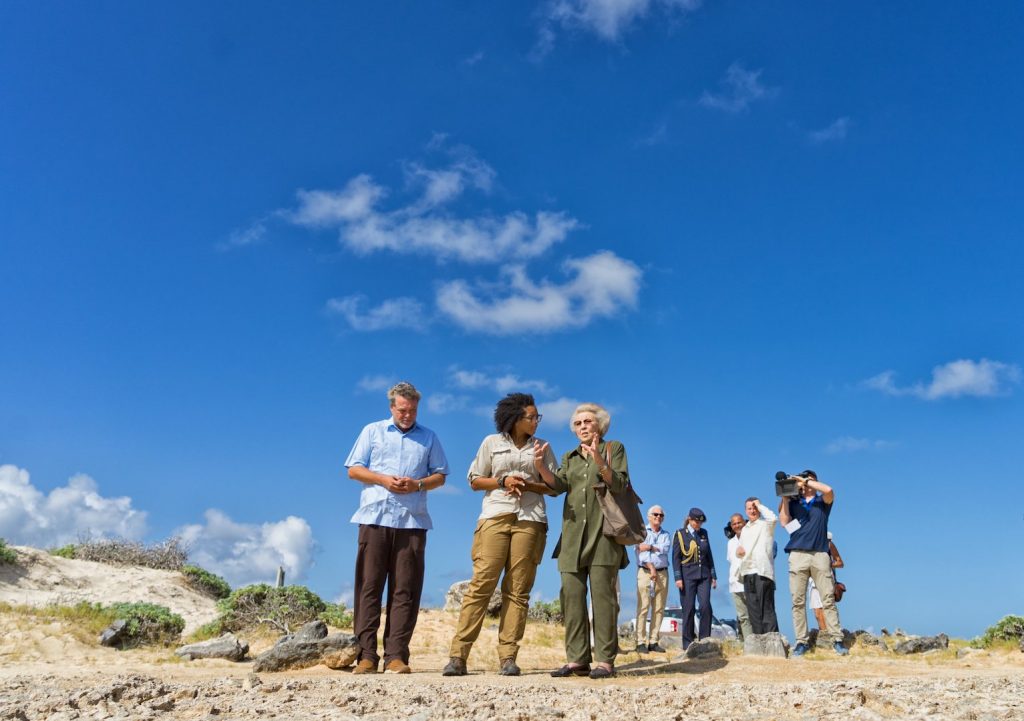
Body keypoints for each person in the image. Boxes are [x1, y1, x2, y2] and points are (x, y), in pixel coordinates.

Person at [442, 394, 557, 677]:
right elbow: (474, 480)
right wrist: (503, 480)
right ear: (516, 419)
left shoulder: (543, 447)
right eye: (532, 417)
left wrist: (532, 480)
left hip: (531, 520)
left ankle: (508, 658)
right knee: (482, 584)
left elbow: (555, 487)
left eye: (537, 417)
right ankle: (458, 656)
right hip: (494, 517)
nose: (536, 421)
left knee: (518, 591)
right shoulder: (490, 443)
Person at [344, 381, 449, 674]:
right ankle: (365, 655)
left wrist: (417, 484)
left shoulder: (429, 437)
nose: (408, 415)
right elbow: (353, 469)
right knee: (369, 588)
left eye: (413, 410)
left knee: (406, 590)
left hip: (412, 521)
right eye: (403, 410)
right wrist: (383, 479)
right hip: (374, 518)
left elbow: (440, 475)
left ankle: (396, 656)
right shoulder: (372, 431)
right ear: (392, 407)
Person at [538, 402, 630, 680]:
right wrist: (540, 467)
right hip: (572, 538)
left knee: (603, 600)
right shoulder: (570, 456)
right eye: (578, 424)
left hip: (604, 536)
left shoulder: (614, 449)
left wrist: (600, 461)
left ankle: (605, 661)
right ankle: (577, 659)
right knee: (572, 599)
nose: (582, 427)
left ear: (599, 425)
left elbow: (620, 484)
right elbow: (558, 487)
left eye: (587, 422)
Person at [778, 470, 848, 657]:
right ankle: (801, 642)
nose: (805, 484)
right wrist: (786, 497)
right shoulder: (794, 503)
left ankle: (837, 639)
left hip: (819, 554)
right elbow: (784, 521)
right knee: (797, 601)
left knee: (828, 599)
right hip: (797, 554)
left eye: (809, 481)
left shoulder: (822, 502)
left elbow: (829, 490)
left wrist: (807, 481)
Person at [671, 507, 717, 650]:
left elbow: (709, 555)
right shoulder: (680, 534)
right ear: (690, 520)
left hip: (704, 575)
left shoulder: (704, 534)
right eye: (696, 522)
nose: (699, 525)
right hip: (687, 577)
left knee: (705, 606)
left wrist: (713, 575)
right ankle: (688, 643)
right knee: (689, 608)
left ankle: (704, 640)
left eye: (700, 523)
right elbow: (676, 558)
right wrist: (678, 577)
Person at [737, 496, 779, 634]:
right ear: (745, 511)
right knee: (753, 611)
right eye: (749, 508)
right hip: (747, 572)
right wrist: (739, 552)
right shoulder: (745, 529)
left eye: (754, 508)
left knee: (766, 609)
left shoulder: (765, 524)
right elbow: (742, 550)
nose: (752, 511)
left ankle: (773, 642)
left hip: (763, 571)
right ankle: (759, 644)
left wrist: (760, 505)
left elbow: (773, 518)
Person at [635, 505, 671, 653]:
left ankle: (654, 640)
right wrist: (651, 567)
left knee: (659, 609)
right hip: (645, 572)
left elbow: (666, 548)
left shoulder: (666, 534)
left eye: (661, 515)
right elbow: (640, 553)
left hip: (663, 573)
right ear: (649, 516)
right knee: (643, 607)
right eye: (655, 514)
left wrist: (649, 546)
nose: (658, 517)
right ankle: (640, 641)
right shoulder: (641, 532)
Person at [725, 514, 753, 641]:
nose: (737, 525)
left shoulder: (750, 538)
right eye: (734, 524)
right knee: (742, 616)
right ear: (731, 526)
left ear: (744, 523)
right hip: (735, 583)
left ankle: (756, 640)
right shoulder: (730, 543)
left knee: (753, 613)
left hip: (749, 581)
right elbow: (731, 561)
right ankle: (748, 642)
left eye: (739, 522)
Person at [808, 533, 844, 632]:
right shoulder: (810, 546)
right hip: (812, 582)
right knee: (817, 612)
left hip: (826, 580)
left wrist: (827, 564)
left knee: (826, 608)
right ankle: (824, 634)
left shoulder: (829, 545)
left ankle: (830, 634)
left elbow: (840, 563)